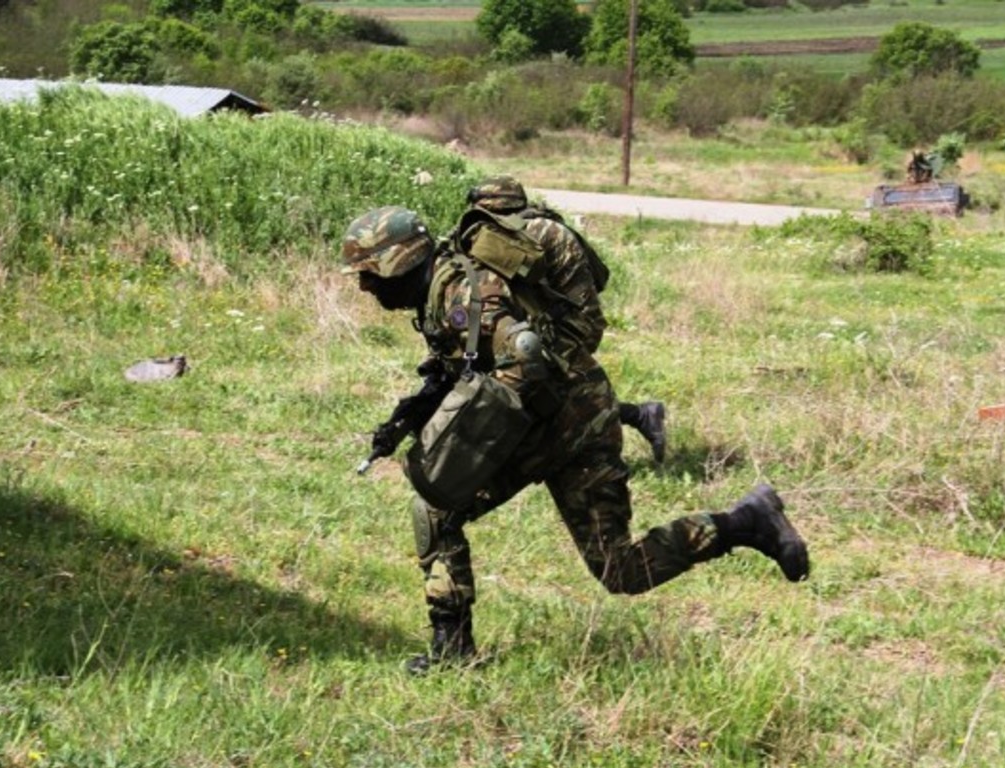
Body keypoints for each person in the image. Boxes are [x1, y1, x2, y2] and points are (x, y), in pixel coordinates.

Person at [340, 206, 810, 674]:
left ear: (396, 262)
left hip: (567, 425)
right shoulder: (442, 291)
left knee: (446, 512)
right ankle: (749, 521)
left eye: (368, 274)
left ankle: (453, 650)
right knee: (613, 566)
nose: (365, 287)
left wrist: (465, 433)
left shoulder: (461, 290)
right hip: (569, 418)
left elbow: (523, 356)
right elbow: (469, 365)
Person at [463, 175, 667, 465]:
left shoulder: (536, 231)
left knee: (546, 389)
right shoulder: (526, 228)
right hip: (560, 321)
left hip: (578, 326)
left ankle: (635, 419)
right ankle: (640, 415)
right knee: (544, 388)